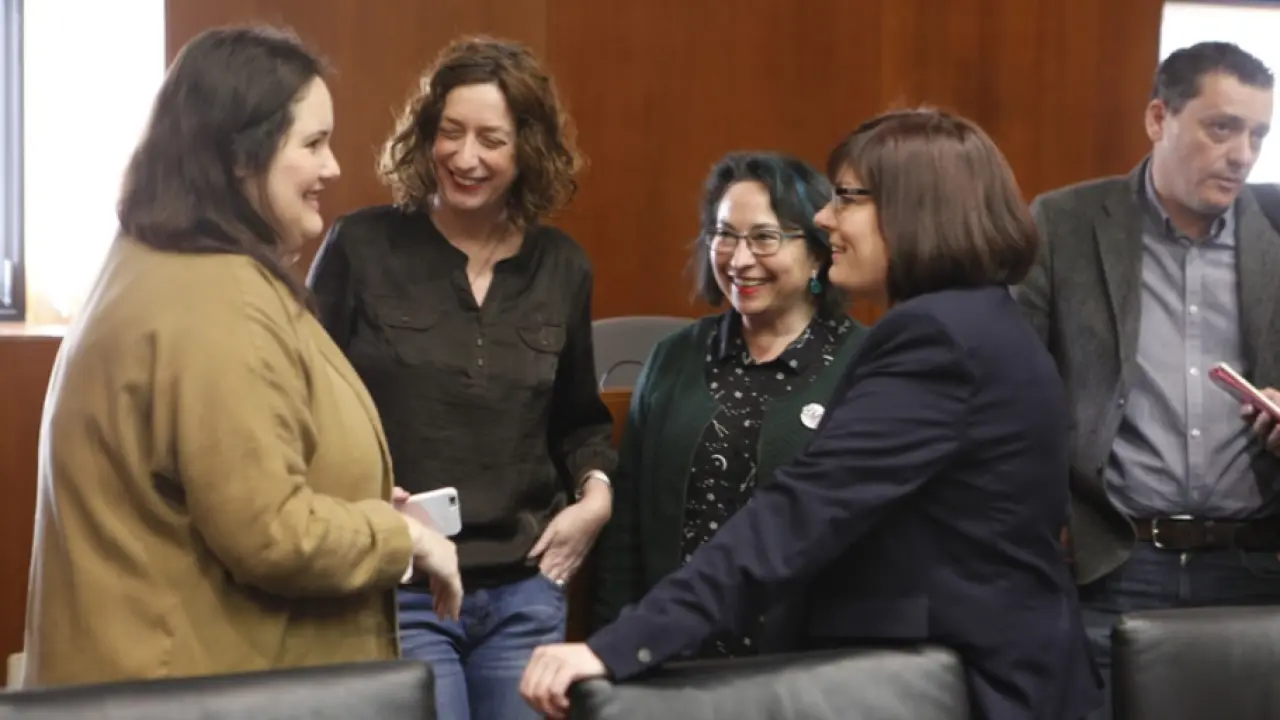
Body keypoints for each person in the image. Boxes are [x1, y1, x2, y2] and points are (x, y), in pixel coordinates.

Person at [521, 108, 1102, 720]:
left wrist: (620, 647)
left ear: (913, 208)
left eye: (847, 197)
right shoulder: (982, 321)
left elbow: (803, 510)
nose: (825, 218)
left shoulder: (936, 339)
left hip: (973, 688)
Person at [21, 26, 462, 689]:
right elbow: (269, 531)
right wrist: (405, 539)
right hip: (191, 690)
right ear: (239, 156)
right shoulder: (214, 299)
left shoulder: (163, 262)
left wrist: (353, 495)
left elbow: (222, 468)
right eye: (312, 144)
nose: (333, 168)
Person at [307, 36, 616, 720]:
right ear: (425, 136)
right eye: (450, 132)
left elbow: (579, 422)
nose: (465, 157)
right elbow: (305, 407)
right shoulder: (361, 245)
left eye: (491, 140)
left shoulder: (563, 266)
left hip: (524, 593)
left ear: (528, 150)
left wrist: (595, 500)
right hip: (400, 585)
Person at [1013, 41, 1280, 719]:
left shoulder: (1277, 233)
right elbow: (1009, 389)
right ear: (1159, 118)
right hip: (1114, 564)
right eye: (1222, 128)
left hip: (1256, 568)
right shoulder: (1065, 223)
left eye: (1257, 135)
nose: (1242, 155)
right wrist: (1046, 518)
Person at [589, 151, 866, 659]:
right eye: (725, 235)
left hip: (805, 671)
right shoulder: (673, 359)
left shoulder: (863, 364)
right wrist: (609, 649)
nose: (739, 260)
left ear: (817, 252)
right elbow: (625, 531)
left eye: (764, 238)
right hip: (670, 660)